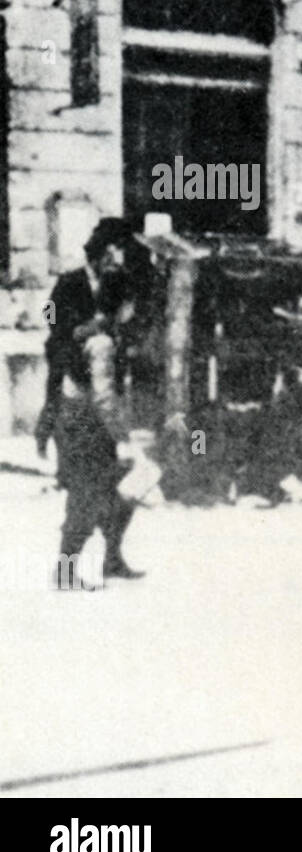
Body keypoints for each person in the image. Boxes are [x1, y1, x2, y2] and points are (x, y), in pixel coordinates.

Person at [37, 217, 147, 590]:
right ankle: (66, 571)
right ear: (101, 251)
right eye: (116, 251)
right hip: (77, 404)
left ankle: (112, 560)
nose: (120, 259)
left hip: (92, 402)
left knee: (117, 496)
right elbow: (53, 325)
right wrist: (82, 331)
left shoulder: (115, 284)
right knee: (86, 496)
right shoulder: (68, 283)